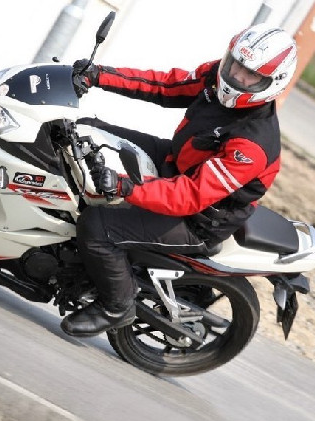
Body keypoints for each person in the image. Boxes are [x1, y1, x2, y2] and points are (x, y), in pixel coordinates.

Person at [60, 23, 298, 337]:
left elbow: (189, 196)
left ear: (272, 83)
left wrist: (124, 186)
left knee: (97, 226)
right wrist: (99, 75)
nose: (236, 76)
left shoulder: (252, 145)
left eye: (250, 74)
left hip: (199, 219)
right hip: (175, 162)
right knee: (87, 129)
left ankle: (117, 306)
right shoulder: (217, 76)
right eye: (235, 64)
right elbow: (166, 86)